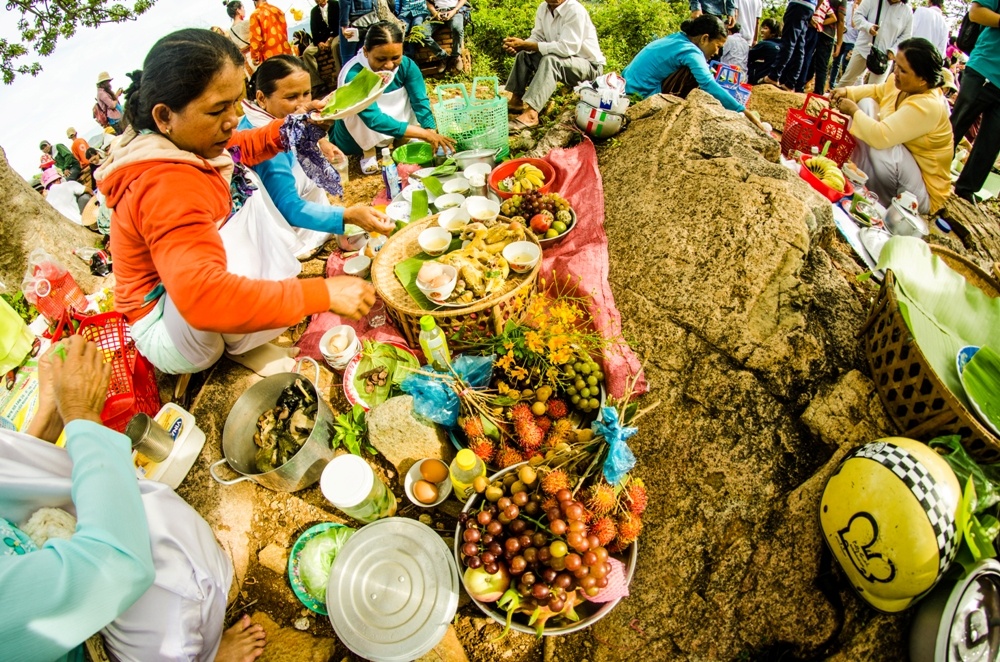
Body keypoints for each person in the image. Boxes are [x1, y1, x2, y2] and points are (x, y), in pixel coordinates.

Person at [96, 28, 384, 377]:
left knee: (241, 201)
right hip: (170, 331)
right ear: (164, 117)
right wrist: (321, 293)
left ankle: (245, 339)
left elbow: (244, 144)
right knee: (236, 217)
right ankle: (238, 344)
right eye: (218, 110)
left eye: (235, 103)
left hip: (183, 305)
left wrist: (302, 122)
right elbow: (205, 297)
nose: (233, 119)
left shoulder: (179, 140)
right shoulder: (162, 183)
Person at [0, 336, 268, 662]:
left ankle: (207, 634)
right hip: (99, 624)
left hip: (94, 540)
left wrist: (51, 412)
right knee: (167, 642)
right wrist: (81, 414)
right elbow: (106, 574)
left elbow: (12, 480)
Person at [240, 55, 393, 256]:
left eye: (306, 93)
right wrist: (347, 216)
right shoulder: (262, 144)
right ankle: (310, 241)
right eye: (291, 97)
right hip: (293, 226)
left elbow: (294, 128)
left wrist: (322, 142)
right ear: (261, 98)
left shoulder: (264, 117)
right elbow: (289, 206)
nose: (301, 104)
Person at [831, 38, 952, 214]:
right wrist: (848, 91)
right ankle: (854, 175)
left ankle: (878, 202)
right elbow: (877, 91)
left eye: (903, 70)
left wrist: (852, 110)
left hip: (920, 192)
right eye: (895, 64)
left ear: (922, 80)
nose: (895, 72)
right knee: (866, 104)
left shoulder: (929, 106)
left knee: (882, 146)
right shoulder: (901, 84)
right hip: (902, 167)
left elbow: (881, 137)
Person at [331, 22, 455, 173]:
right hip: (356, 139)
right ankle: (368, 151)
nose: (389, 65)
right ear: (365, 52)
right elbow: (374, 119)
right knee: (359, 106)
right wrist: (424, 134)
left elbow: (420, 100)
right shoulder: (354, 74)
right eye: (381, 59)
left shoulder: (406, 65)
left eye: (396, 57)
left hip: (392, 128)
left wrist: (430, 130)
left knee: (408, 96)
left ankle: (401, 139)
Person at [623, 16, 767, 131]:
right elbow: (708, 83)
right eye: (717, 46)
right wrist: (742, 110)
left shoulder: (676, 38)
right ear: (704, 38)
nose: (717, 52)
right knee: (695, 74)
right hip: (643, 94)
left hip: (628, 87)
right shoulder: (690, 51)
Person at [504, 0, 606, 132]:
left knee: (551, 61)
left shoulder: (575, 10)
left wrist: (527, 45)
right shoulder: (543, 8)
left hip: (589, 67)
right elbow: (538, 37)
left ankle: (531, 115)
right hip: (565, 60)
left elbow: (567, 48)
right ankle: (516, 101)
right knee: (524, 54)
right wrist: (521, 45)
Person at [949, 0, 1000, 205]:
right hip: (984, 68)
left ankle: (966, 190)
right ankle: (928, 171)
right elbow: (976, 13)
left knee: (991, 142)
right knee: (956, 126)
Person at [835, 0, 912, 87]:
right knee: (846, 82)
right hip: (863, 49)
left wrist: (893, 50)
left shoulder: (907, 11)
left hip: (884, 57)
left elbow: (906, 36)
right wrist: (868, 27)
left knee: (874, 90)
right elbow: (857, 16)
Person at [763, 0, 820, 90]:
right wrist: (814, 9)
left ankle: (773, 76)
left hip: (798, 4)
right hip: (810, 7)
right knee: (799, 45)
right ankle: (790, 83)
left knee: (788, 42)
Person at [800, 0, 845, 94]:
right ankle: (818, 92)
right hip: (826, 33)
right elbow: (840, 20)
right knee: (821, 65)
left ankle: (799, 84)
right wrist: (839, 43)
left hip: (813, 27)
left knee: (807, 58)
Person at [303, 0, 341, 90]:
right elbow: (314, 30)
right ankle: (317, 84)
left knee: (335, 46)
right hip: (321, 40)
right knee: (307, 53)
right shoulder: (314, 11)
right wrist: (319, 42)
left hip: (335, 36)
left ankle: (340, 76)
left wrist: (330, 40)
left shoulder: (335, 5)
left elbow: (339, 24)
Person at [427, 0, 470, 73]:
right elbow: (428, 2)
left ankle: (456, 55)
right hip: (437, 13)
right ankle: (443, 56)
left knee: (457, 29)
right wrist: (435, 13)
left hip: (454, 11)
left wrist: (454, 10)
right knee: (422, 34)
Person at [249, 0, 293, 66]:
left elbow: (255, 39)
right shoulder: (277, 10)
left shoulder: (255, 14)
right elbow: (284, 30)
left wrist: (254, 57)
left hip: (271, 56)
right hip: (286, 52)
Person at [225, 0, 259, 84]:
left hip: (246, 65)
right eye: (243, 7)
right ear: (238, 10)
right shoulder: (247, 24)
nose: (244, 10)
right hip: (256, 58)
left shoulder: (230, 32)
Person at [340, 0, 378, 69]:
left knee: (349, 61)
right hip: (370, 14)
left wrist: (344, 24)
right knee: (366, 57)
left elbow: (345, 2)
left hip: (353, 16)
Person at [830, 0, 860, 84]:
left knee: (846, 65)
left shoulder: (862, 10)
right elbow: (841, 20)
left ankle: (843, 86)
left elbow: (857, 26)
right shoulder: (847, 5)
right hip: (842, 38)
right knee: (835, 62)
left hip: (852, 40)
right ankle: (831, 85)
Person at [749, 18, 783, 82]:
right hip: (779, 80)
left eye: (765, 28)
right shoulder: (784, 46)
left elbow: (748, 56)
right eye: (762, 28)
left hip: (761, 79)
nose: (762, 30)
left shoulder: (765, 44)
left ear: (773, 32)